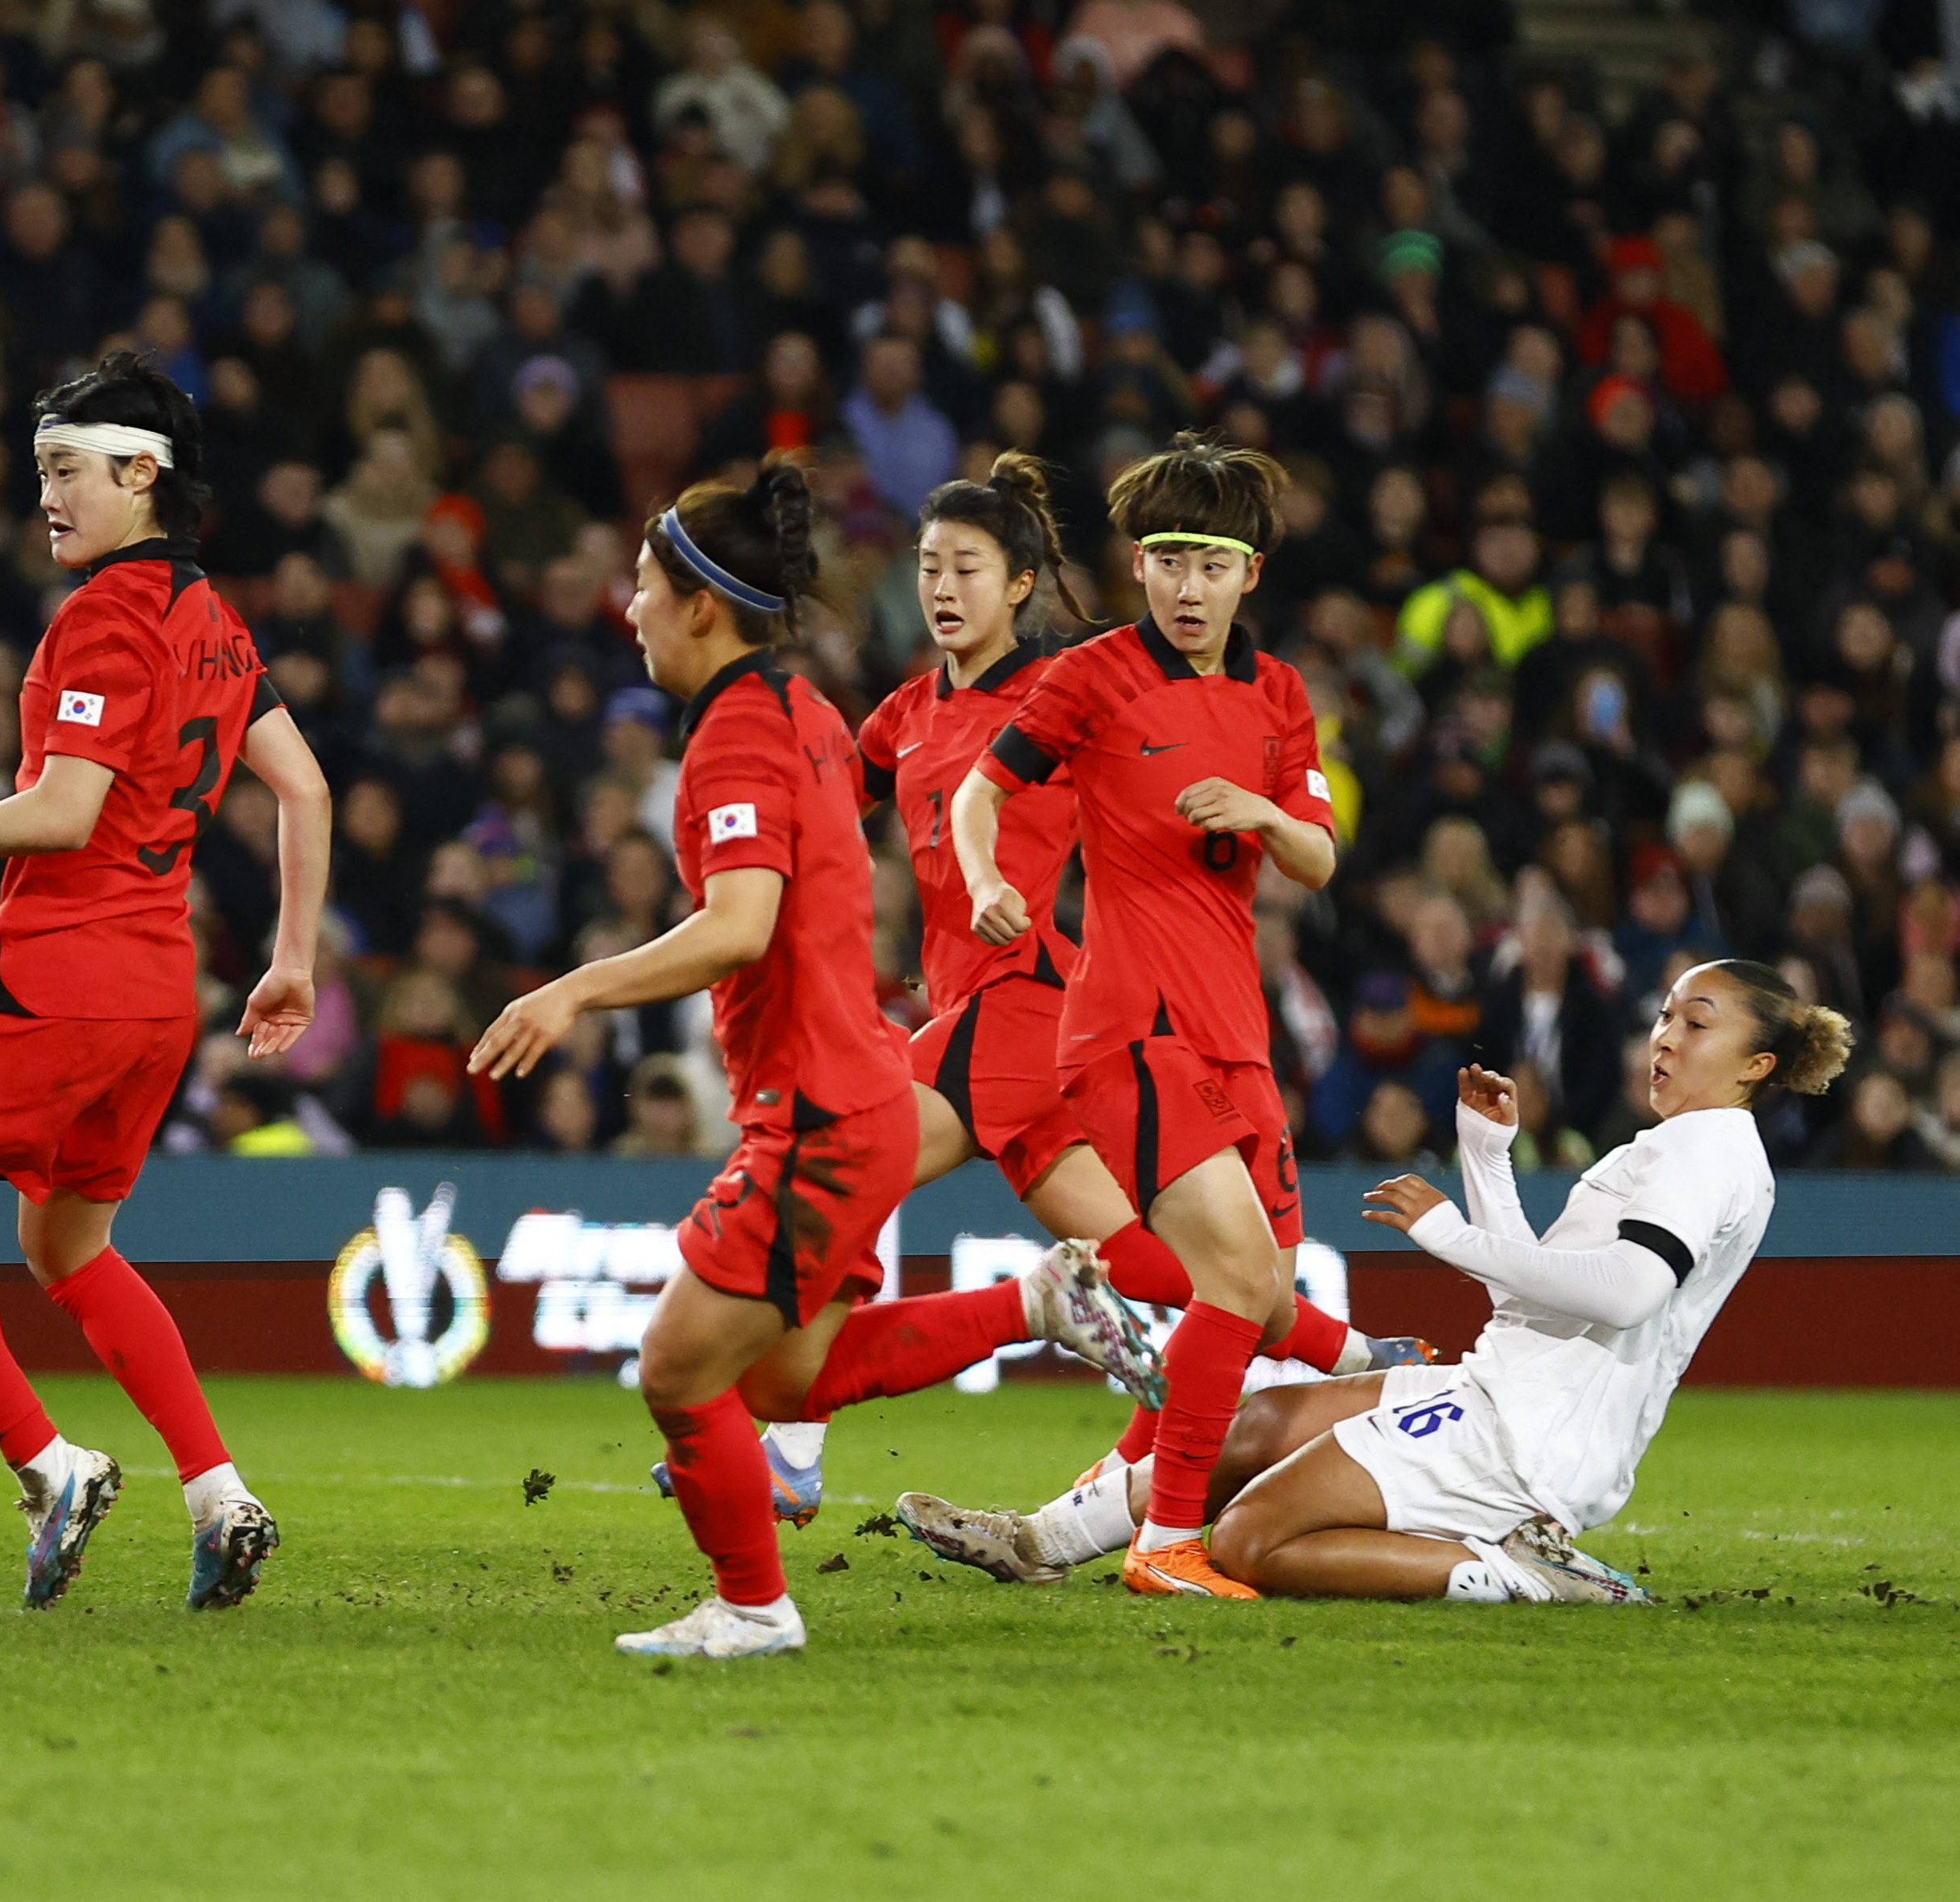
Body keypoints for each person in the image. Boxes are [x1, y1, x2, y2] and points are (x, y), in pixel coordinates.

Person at [726, 455, 1421, 1529]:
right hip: (992, 1022)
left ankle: (790, 1439)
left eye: (967, 567)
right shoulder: (906, 712)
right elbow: (824, 808)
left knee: (833, 1165)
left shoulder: (1060, 688)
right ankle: (1341, 1355)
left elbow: (1015, 790)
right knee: (1165, 1268)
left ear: (1020, 585)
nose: (942, 588)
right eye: (926, 567)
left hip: (1025, 1001)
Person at [0, 355, 333, 1613]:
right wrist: (289, 956)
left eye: (66, 470)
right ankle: (216, 1491)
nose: (47, 495)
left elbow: (65, 808)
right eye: (39, 472)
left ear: (142, 473)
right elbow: (302, 788)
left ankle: (53, 1469)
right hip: (157, 993)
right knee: (66, 1239)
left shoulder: (102, 614)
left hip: (57, 979)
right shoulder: (210, 615)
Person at [471, 456, 1036, 1661]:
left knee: (678, 1372)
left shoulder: (732, 735)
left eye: (640, 584)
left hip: (822, 1110)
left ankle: (750, 1603)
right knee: (785, 1377)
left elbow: (739, 925)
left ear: (699, 605)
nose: (625, 607)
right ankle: (1039, 1298)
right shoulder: (810, 711)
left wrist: (571, 989)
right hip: (867, 1083)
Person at [944, 432, 1340, 1598]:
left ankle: (1074, 1527)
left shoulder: (1277, 694)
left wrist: (1262, 815)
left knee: (1256, 1298)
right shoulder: (1092, 675)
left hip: (1235, 1033)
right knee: (1233, 1278)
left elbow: (1316, 858)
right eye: (1163, 559)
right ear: (1137, 566)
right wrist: (984, 882)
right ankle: (1166, 1542)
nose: (1182, 585)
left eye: (1206, 563)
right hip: (1128, 1023)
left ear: (1246, 576)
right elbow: (981, 789)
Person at [1198, 968, 1848, 1600]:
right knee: (1263, 1422)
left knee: (1246, 1539)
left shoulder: (1706, 1151)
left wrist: (1453, 1235)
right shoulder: (1674, 1145)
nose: (1667, 1036)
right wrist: (1484, 1156)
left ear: (1755, 1065)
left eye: (1697, 1022)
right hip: (1506, 1393)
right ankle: (1133, 1531)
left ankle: (1518, 1571)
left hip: (1525, 1433)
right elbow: (1527, 1302)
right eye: (1664, 1015)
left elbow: (1628, 1293)